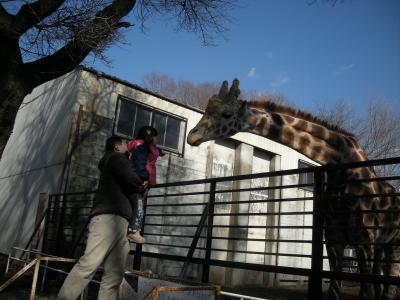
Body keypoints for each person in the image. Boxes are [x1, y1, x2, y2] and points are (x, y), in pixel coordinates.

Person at [57, 136, 143, 300]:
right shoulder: (116, 158)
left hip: (119, 221)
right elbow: (133, 179)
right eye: (126, 144)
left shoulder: (114, 163)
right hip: (109, 219)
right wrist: (143, 182)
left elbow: (128, 181)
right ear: (117, 147)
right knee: (90, 264)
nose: (129, 146)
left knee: (114, 274)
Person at [127, 126, 164, 244]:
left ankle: (133, 229)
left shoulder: (146, 147)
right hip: (142, 179)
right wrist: (145, 177)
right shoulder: (141, 147)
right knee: (138, 205)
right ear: (150, 137)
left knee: (138, 204)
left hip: (145, 179)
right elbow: (139, 162)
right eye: (155, 137)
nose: (157, 139)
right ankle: (133, 231)